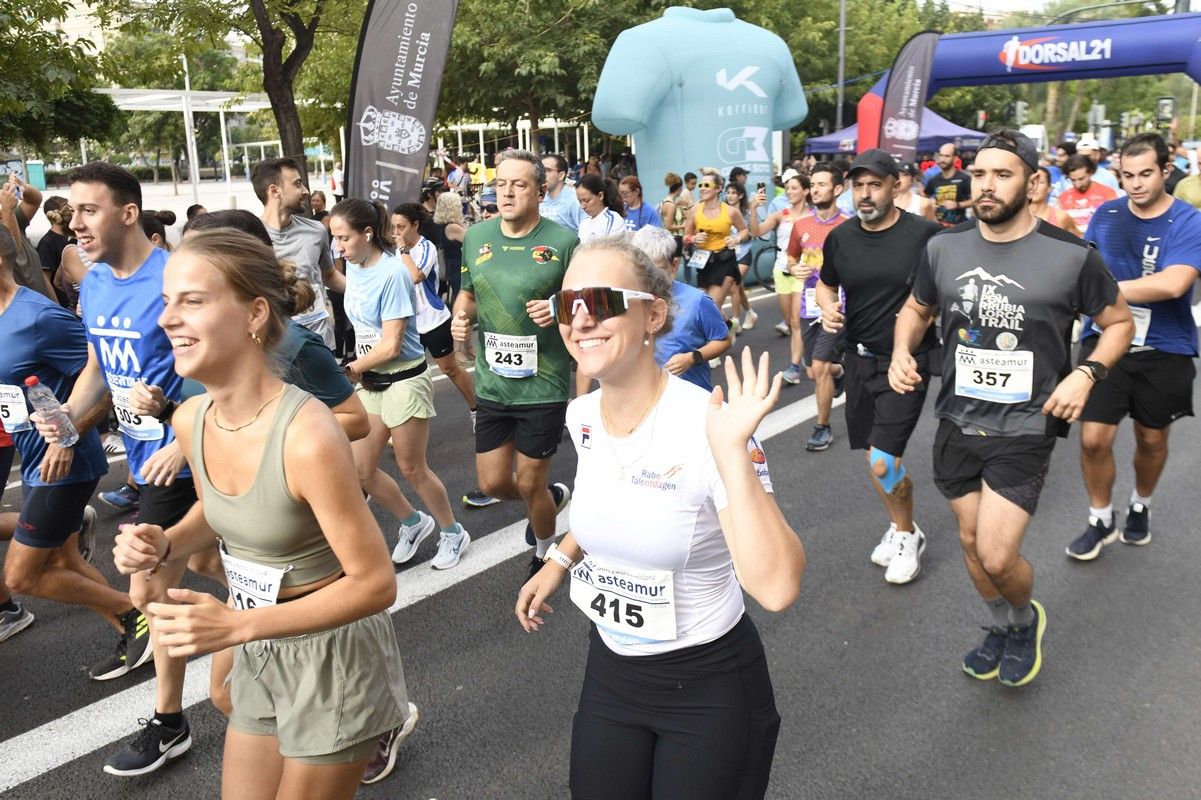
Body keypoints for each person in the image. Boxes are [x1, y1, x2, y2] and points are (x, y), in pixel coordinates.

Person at [112, 227, 412, 798]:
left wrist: (238, 626)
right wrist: (165, 541)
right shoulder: (191, 419)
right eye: (167, 301)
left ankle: (381, 722)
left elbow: (376, 584)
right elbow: (217, 509)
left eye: (192, 301)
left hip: (333, 653)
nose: (167, 319)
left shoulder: (308, 434)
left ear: (254, 313)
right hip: (259, 641)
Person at [515, 237, 803, 800]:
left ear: (653, 315)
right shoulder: (582, 415)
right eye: (568, 302)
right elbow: (613, 501)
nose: (580, 319)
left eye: (600, 300)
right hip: (611, 671)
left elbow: (777, 587)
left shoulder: (710, 426)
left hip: (708, 685)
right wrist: (559, 561)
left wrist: (732, 457)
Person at [891, 129, 1133, 687]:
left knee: (998, 555)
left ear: (1032, 181)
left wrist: (1086, 372)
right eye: (979, 174)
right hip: (957, 418)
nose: (987, 185)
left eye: (1003, 174)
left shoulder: (1072, 256)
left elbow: (1119, 323)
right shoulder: (943, 247)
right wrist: (903, 349)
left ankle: (1025, 621)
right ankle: (1001, 624)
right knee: (970, 543)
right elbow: (917, 308)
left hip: (1026, 423)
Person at [54, 162, 197, 774]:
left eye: (89, 210)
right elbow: (99, 366)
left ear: (129, 213)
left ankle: (170, 722)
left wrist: (184, 438)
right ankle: (281, 612)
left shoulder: (176, 278)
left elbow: (227, 364)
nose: (74, 223)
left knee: (147, 587)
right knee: (212, 562)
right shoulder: (94, 284)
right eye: (72, 212)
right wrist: (67, 416)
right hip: (145, 458)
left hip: (189, 457)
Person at [0, 223, 151, 672]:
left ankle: (137, 615)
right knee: (64, 560)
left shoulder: (39, 317)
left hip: (66, 461)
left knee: (22, 576)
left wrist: (69, 435)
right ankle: (136, 631)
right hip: (33, 457)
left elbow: (105, 379)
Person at [1066, 133, 1201, 561]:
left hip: (1166, 344)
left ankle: (1141, 504)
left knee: (1151, 439)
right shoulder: (1105, 214)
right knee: (1092, 439)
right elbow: (1082, 266)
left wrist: (1101, 292)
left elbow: (1174, 283)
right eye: (1127, 175)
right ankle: (1100, 518)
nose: (1136, 184)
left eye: (1146, 174)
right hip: (1106, 339)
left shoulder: (1189, 220)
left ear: (1165, 171)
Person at [816, 149, 942, 585]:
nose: (865, 194)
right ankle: (899, 524)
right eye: (858, 186)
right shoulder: (840, 238)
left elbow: (944, 292)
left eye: (874, 185)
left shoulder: (926, 234)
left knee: (885, 462)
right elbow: (826, 286)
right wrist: (828, 307)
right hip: (858, 359)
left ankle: (907, 535)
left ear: (895, 185)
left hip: (906, 362)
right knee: (875, 459)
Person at [451, 149, 576, 577]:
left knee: (528, 481)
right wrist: (460, 316)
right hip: (492, 382)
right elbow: (468, 294)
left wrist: (557, 307)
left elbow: (583, 304)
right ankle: (551, 497)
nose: (506, 192)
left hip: (543, 383)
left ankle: (543, 552)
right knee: (492, 483)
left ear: (540, 191)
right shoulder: (476, 237)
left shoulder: (563, 242)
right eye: (500, 183)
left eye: (518, 185)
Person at [331, 199, 471, 571]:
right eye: (334, 239)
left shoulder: (394, 273)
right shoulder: (354, 265)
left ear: (366, 234)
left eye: (343, 238)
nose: (338, 247)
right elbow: (345, 289)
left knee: (412, 468)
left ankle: (453, 532)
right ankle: (413, 522)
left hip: (404, 378)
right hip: (371, 380)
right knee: (361, 469)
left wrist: (348, 369)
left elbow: (392, 345)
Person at [389, 203, 476, 417]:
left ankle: (477, 409)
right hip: (408, 324)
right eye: (394, 227)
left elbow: (416, 276)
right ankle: (407, 421)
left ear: (415, 225)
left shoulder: (425, 247)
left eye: (401, 227)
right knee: (406, 375)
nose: (396, 232)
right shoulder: (393, 251)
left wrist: (403, 250)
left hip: (433, 320)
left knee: (450, 369)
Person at [785, 163, 850, 451]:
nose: (815, 189)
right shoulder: (801, 225)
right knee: (813, 371)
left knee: (820, 367)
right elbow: (791, 257)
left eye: (822, 184)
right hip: (808, 305)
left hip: (837, 307)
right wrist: (794, 268)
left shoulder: (849, 226)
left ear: (838, 189)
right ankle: (840, 372)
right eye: (813, 184)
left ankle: (822, 427)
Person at [253, 157, 344, 349]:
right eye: (297, 184)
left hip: (320, 342)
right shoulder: (250, 238)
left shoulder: (316, 231)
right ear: (274, 191)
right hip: (276, 348)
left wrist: (367, 291)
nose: (306, 191)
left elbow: (329, 276)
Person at [632, 225, 731, 391]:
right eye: (643, 270)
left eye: (657, 270)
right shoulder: (631, 299)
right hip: (645, 397)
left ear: (674, 264)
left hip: (692, 395)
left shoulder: (697, 301)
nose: (650, 278)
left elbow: (723, 340)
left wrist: (692, 358)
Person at [683, 168, 750, 323]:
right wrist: (693, 238)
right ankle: (727, 326)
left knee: (710, 307)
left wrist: (736, 239)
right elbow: (685, 238)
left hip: (724, 261)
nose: (702, 188)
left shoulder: (731, 211)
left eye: (706, 185)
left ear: (718, 188)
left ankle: (717, 335)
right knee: (704, 306)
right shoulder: (694, 210)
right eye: (700, 185)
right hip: (704, 262)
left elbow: (744, 231)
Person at [749, 172, 808, 343]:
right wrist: (753, 208)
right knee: (789, 320)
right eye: (787, 188)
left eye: (794, 188)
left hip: (804, 269)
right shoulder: (780, 214)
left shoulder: (814, 214)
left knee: (796, 321)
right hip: (782, 267)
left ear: (805, 191)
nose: (789, 191)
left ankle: (800, 357)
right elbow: (756, 232)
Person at [2, 175, 55, 300]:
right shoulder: (8, 215)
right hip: (25, 310)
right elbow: (10, 251)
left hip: (44, 304)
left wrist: (22, 187)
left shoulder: (12, 219)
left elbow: (34, 200)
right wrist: (7, 210)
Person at [723, 181, 757, 332]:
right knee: (739, 288)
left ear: (741, 195)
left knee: (733, 286)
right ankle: (750, 313)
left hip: (743, 254)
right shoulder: (723, 211)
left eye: (733, 193)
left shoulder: (747, 212)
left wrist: (739, 238)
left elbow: (753, 233)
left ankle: (735, 323)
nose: (730, 196)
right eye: (728, 192)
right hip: (728, 255)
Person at [1057, 154, 1118, 232]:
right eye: (1073, 180)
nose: (1078, 184)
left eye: (1081, 179)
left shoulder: (1108, 193)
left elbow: (1114, 223)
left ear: (1091, 173)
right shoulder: (1063, 197)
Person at [925, 143, 972, 227]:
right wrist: (930, 203)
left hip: (958, 226)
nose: (942, 159)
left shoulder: (964, 178)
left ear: (955, 158)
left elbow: (975, 201)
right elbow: (924, 199)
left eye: (947, 156)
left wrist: (957, 205)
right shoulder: (934, 180)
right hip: (937, 225)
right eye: (941, 155)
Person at [36, 196, 75, 293]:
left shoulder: (69, 237)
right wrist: (54, 301)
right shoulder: (47, 243)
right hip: (62, 299)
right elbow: (45, 280)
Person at [1028, 166, 1081, 236]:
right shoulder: (1015, 217)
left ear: (1049, 188)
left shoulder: (1061, 217)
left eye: (1040, 182)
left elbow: (1079, 240)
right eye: (1032, 182)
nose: (1035, 187)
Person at [539, 153, 583, 233]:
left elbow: (586, 232)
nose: (542, 174)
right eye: (540, 170)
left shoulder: (575, 200)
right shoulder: (539, 199)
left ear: (561, 175)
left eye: (547, 170)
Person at [576, 173, 625, 242]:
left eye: (587, 200)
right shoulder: (583, 224)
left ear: (600, 196)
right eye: (580, 201)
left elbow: (611, 247)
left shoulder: (613, 220)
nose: (582, 206)